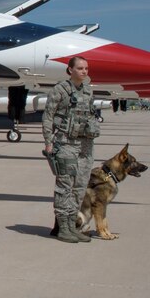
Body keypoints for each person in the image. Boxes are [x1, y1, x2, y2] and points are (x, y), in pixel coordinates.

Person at [42, 56, 100, 244]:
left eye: (86, 68)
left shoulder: (88, 91)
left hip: (85, 145)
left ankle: (71, 225)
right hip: (65, 143)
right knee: (65, 186)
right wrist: (48, 142)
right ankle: (63, 228)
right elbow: (48, 116)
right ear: (70, 70)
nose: (84, 71)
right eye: (80, 68)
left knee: (80, 186)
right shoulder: (60, 90)